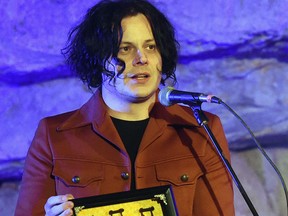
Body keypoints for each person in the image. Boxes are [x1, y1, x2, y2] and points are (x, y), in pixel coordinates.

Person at [15, 0, 235, 215]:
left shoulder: (201, 129)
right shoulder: (53, 136)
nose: (142, 59)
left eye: (151, 46)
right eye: (125, 49)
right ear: (97, 59)